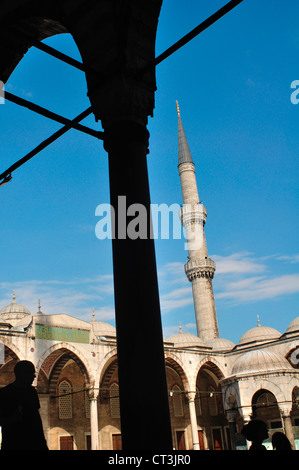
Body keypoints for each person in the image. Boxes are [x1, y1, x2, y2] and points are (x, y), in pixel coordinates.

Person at [0, 360, 48, 450]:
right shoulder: (5, 393)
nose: (34, 376)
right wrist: (12, 418)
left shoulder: (31, 392)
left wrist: (42, 443)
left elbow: (36, 419)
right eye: (31, 373)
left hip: (32, 444)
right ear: (22, 374)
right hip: (13, 444)